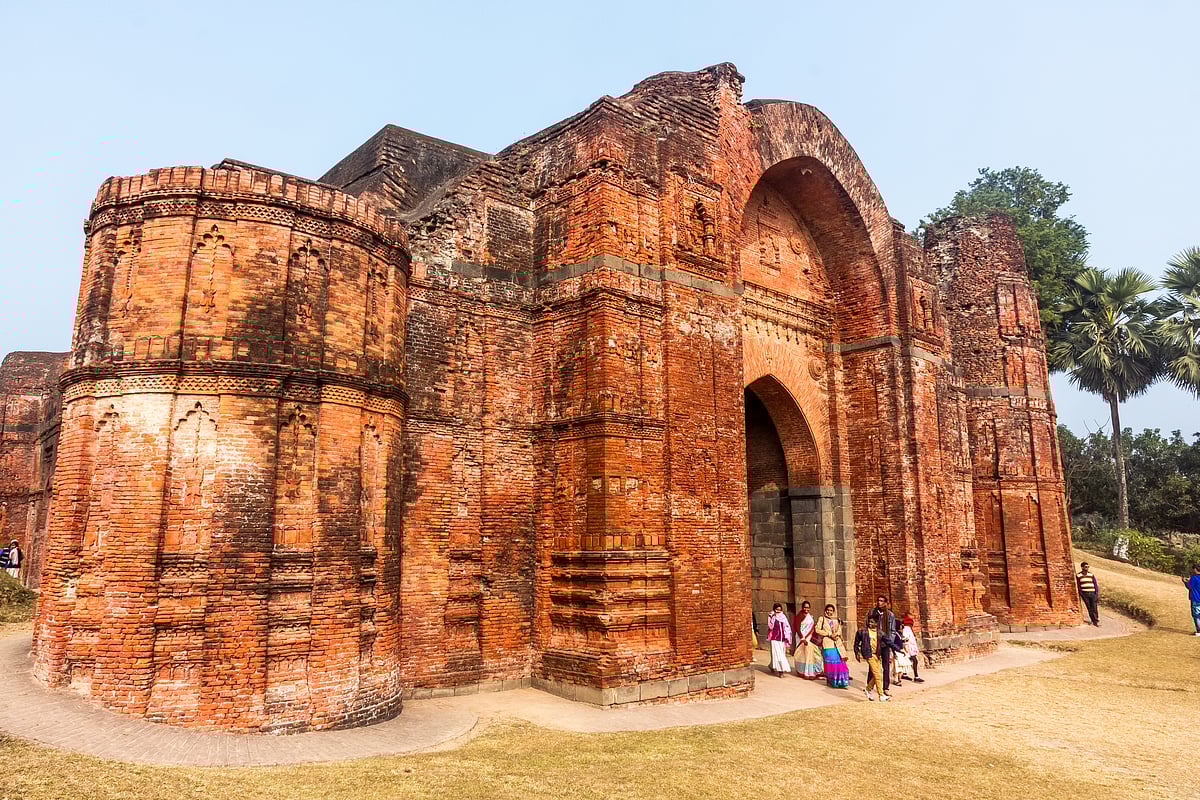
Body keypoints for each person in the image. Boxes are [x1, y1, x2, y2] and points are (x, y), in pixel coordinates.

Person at [855, 595, 897, 702]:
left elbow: (893, 630)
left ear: (886, 603)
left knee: (886, 667)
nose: (879, 603)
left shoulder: (890, 615)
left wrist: (889, 641)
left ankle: (885, 688)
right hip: (874, 643)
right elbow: (866, 627)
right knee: (873, 668)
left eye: (882, 601)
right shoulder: (872, 613)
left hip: (885, 643)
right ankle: (871, 688)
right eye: (878, 600)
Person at [815, 603, 850, 688]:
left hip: (837, 644)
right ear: (825, 611)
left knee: (840, 663)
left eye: (831, 610)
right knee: (830, 663)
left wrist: (836, 634)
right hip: (827, 643)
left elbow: (839, 630)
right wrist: (829, 634)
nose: (829, 612)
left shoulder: (836, 620)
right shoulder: (821, 619)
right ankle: (831, 681)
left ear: (833, 612)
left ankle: (841, 682)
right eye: (828, 610)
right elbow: (817, 630)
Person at [792, 600, 823, 679]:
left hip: (810, 638)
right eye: (805, 607)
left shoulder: (810, 616)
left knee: (815, 654)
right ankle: (806, 672)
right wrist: (802, 638)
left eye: (808, 607)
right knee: (804, 655)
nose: (806, 609)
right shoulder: (799, 616)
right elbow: (797, 628)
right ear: (802, 607)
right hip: (802, 638)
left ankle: (817, 671)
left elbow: (812, 627)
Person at [766, 602, 792, 677]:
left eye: (779, 610)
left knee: (780, 654)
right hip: (774, 638)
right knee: (778, 655)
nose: (778, 612)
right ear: (774, 609)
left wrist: (787, 638)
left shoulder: (783, 617)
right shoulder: (771, 616)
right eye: (777, 610)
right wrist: (773, 617)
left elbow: (787, 627)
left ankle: (771, 666)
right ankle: (781, 671)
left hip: (782, 639)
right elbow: (770, 626)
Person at [900, 614, 924, 683]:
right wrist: (906, 648)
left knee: (907, 661)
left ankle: (904, 674)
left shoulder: (908, 629)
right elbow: (905, 639)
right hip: (909, 648)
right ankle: (916, 676)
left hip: (910, 647)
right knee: (915, 661)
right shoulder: (907, 629)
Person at [1077, 562, 1100, 626]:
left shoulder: (1091, 575)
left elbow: (1095, 584)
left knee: (1094, 607)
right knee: (1089, 607)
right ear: (1082, 567)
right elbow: (1078, 585)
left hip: (1093, 593)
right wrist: (1081, 593)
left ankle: (1096, 619)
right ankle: (1093, 620)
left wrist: (1096, 592)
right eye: (1086, 567)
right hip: (1085, 594)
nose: (1087, 568)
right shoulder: (1079, 575)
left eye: (1088, 567)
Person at [1182, 564, 1200, 637]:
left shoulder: (1194, 578)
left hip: (1196, 599)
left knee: (1196, 615)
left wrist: (1184, 581)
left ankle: (1199, 631)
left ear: (1195, 569)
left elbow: (1189, 586)